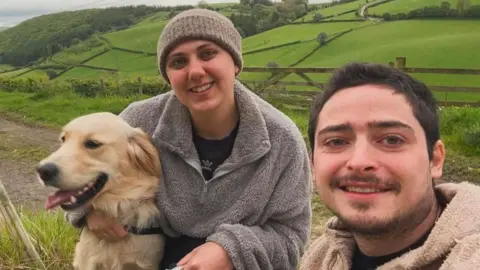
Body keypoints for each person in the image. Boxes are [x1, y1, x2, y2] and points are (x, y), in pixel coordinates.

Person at [65, 8, 313, 270]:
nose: (194, 71)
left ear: (236, 63)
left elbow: (291, 237)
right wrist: (89, 210)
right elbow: (76, 167)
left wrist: (231, 250)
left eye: (208, 54)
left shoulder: (282, 141)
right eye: (178, 62)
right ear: (168, 76)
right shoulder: (138, 121)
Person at [299, 62, 480, 270]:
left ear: (435, 160)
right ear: (313, 165)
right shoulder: (322, 257)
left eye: (392, 140)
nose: (359, 162)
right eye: (337, 142)